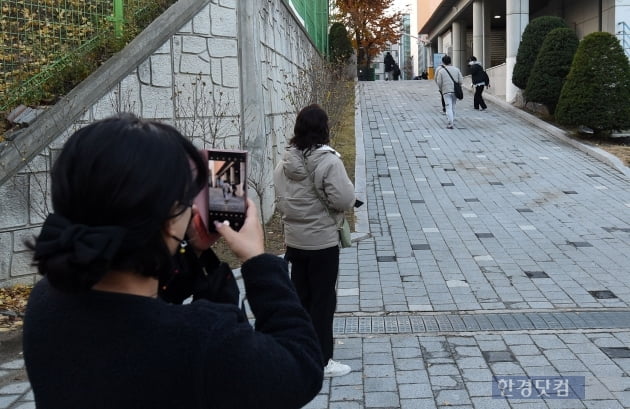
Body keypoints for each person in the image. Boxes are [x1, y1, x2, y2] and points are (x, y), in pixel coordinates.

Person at [23, 113, 324, 409]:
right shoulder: (204, 340)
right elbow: (301, 367)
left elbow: (139, 307)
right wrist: (258, 260)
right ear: (168, 221)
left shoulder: (47, 302)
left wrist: (194, 253)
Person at [273, 104, 356, 378]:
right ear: (324, 129)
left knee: (301, 298)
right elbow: (344, 199)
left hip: (295, 242)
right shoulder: (329, 161)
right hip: (322, 243)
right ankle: (322, 360)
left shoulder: (285, 162)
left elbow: (281, 199)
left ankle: (300, 349)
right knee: (323, 301)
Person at [435, 55, 464, 129]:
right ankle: (452, 120)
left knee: (448, 107)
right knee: (453, 106)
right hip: (455, 91)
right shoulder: (456, 69)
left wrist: (441, 89)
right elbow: (461, 80)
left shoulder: (441, 71)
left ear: (443, 62)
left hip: (446, 91)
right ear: (450, 61)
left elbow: (439, 82)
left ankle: (450, 123)